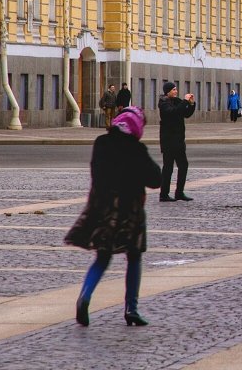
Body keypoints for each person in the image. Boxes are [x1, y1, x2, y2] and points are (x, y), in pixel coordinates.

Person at [65, 106, 161, 327]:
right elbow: (156, 179)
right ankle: (131, 308)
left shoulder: (101, 143)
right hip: (130, 212)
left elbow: (96, 174)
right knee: (134, 257)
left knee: (102, 257)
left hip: (103, 209)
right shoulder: (136, 149)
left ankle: (85, 297)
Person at [157, 82, 196, 201]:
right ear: (167, 91)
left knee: (183, 165)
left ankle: (179, 192)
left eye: (176, 89)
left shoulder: (176, 101)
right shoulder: (163, 103)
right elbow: (173, 113)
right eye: (174, 90)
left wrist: (191, 103)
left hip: (179, 140)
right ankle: (164, 195)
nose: (176, 91)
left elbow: (186, 114)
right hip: (168, 140)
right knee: (168, 168)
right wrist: (184, 102)